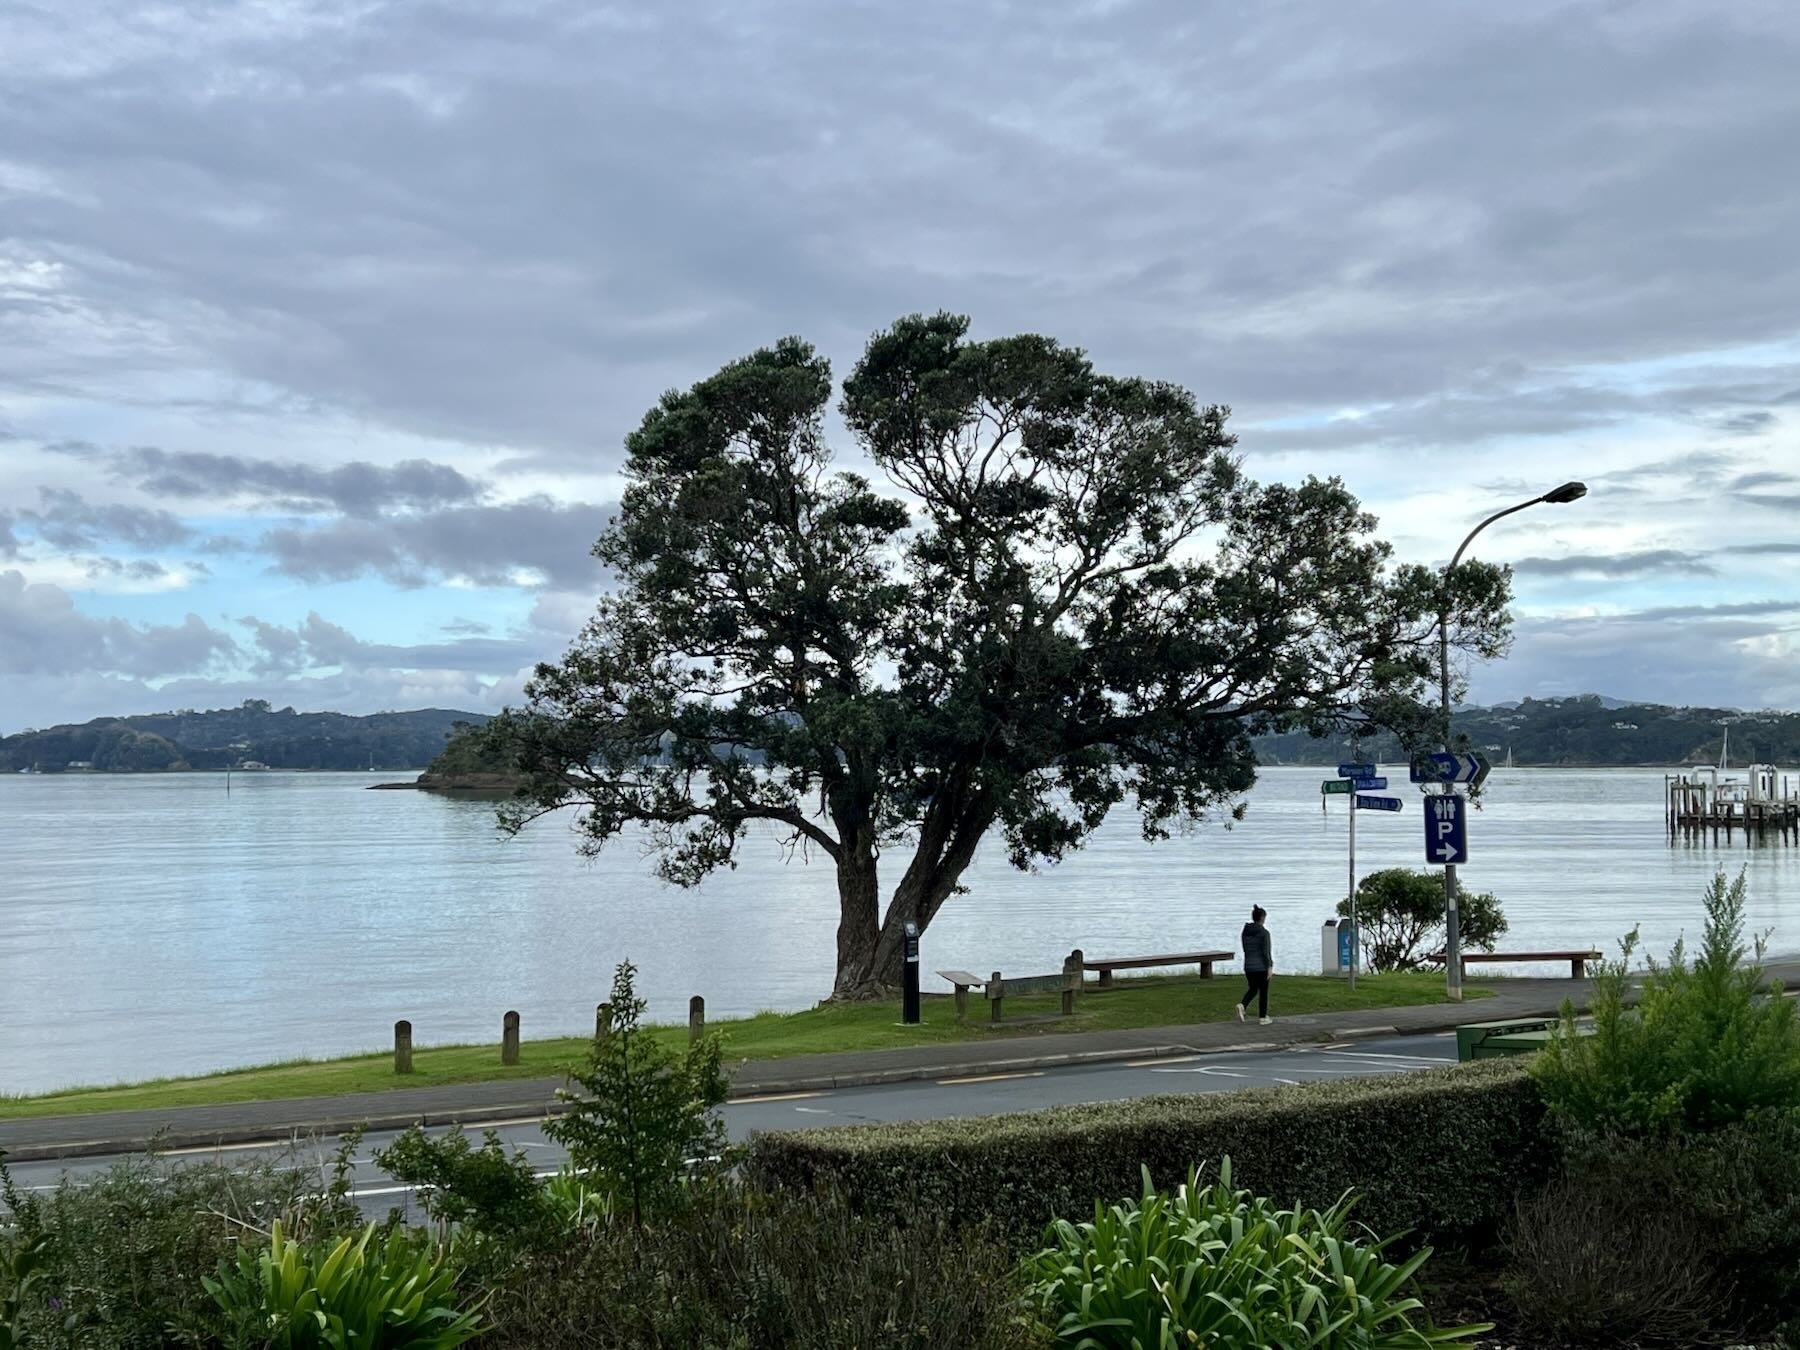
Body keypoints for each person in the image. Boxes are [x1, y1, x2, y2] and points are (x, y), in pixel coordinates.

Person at [1236, 905, 1273, 1025]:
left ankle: (1242, 1005)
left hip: (1248, 966)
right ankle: (1263, 1017)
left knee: (1253, 989)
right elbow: (1266, 952)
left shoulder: (1245, 932)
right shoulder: (1264, 933)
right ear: (1262, 918)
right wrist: (1270, 966)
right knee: (1263, 991)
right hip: (1261, 966)